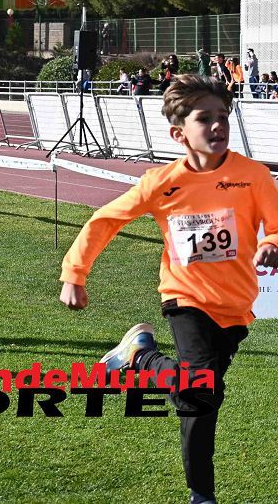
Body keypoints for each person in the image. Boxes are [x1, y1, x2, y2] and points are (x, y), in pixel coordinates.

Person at [58, 74, 278, 504]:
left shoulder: (253, 176)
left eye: (223, 117)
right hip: (185, 297)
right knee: (200, 393)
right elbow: (106, 220)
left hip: (236, 306)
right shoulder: (160, 183)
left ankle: (141, 356)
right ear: (180, 133)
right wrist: (74, 273)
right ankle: (202, 495)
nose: (218, 126)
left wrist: (271, 243)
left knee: (200, 395)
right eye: (205, 119)